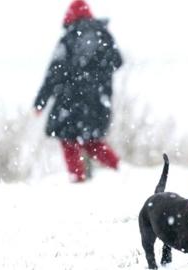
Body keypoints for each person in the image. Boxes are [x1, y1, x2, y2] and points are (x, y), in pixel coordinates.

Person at [34, 0, 123, 182]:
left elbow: (54, 72)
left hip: (71, 101)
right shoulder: (104, 35)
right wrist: (97, 76)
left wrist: (40, 102)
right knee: (92, 141)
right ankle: (120, 169)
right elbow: (118, 61)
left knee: (69, 140)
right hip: (98, 101)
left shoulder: (69, 38)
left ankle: (77, 179)